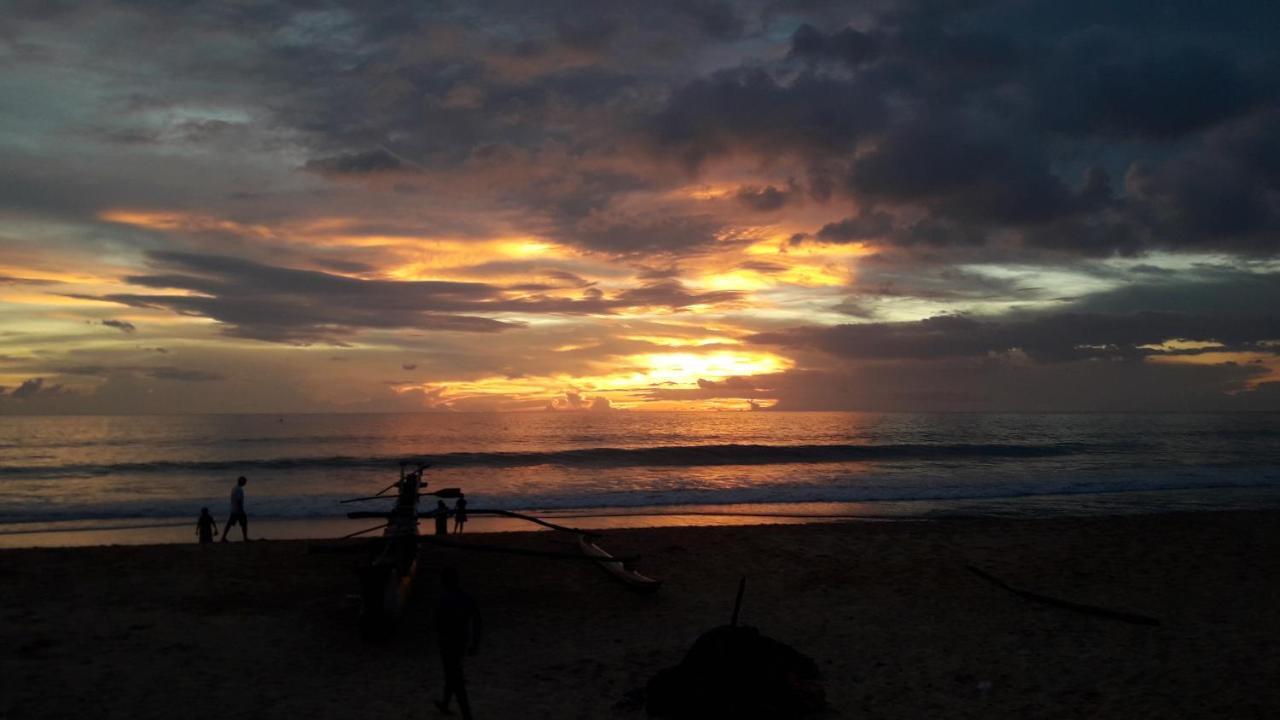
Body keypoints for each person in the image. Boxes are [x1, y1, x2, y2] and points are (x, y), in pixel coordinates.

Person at [434, 566, 481, 720]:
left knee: (455, 677)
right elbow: (477, 620)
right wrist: (475, 642)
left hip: (448, 642)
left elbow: (436, 623)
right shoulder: (467, 597)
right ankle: (445, 703)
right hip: (462, 640)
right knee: (452, 673)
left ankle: (467, 714)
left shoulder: (442, 599)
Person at [220, 476, 249, 542]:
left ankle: (223, 537)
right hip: (238, 510)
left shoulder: (234, 488)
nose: (245, 483)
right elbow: (238, 500)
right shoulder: (239, 489)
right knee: (243, 523)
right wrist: (241, 509)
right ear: (241, 481)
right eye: (244, 481)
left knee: (230, 524)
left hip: (234, 509)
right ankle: (245, 538)